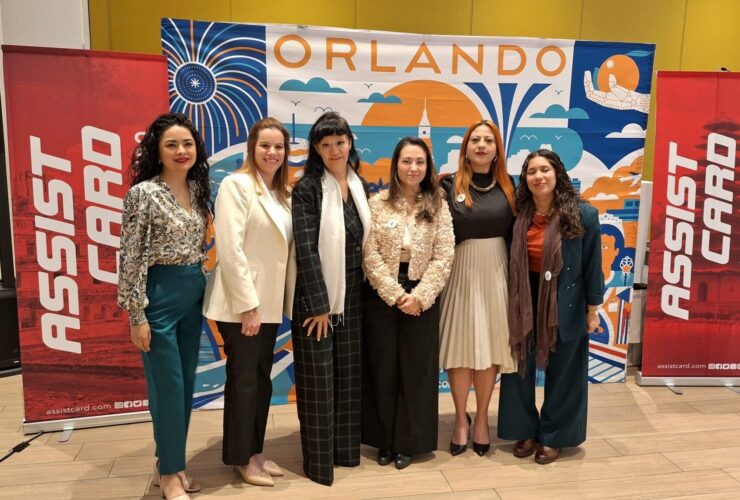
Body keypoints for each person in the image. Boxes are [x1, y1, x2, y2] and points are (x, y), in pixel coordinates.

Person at [117, 112, 210, 500]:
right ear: (157, 150)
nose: (181, 150)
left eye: (187, 143)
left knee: (185, 385)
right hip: (159, 297)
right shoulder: (143, 194)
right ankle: (171, 474)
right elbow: (131, 256)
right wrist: (136, 314)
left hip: (193, 293)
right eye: (171, 144)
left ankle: (168, 463)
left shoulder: (199, 189)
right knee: (168, 388)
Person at [202, 118, 296, 487]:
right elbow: (230, 249)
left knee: (260, 381)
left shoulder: (281, 193)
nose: (272, 153)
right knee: (244, 381)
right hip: (241, 304)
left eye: (279, 147)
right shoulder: (236, 185)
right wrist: (248, 306)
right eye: (265, 146)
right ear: (252, 148)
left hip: (269, 304)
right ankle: (240, 458)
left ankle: (255, 451)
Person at [497, 149, 603, 465]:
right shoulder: (517, 214)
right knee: (519, 368)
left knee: (565, 371)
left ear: (557, 174)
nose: (538, 176)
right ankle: (524, 430)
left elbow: (592, 265)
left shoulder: (583, 214)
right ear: (525, 179)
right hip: (523, 299)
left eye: (545, 169)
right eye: (531, 171)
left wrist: (593, 309)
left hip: (565, 301)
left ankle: (554, 435)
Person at [362, 137, 454, 469]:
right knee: (383, 367)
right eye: (406, 161)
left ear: (428, 167)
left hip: (421, 297)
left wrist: (420, 296)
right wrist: (394, 293)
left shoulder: (438, 204)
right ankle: (385, 441)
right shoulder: (377, 203)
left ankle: (409, 443)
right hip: (382, 294)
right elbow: (369, 253)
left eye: (419, 162)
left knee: (417, 370)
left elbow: (444, 255)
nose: (413, 168)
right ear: (395, 165)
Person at [291, 111, 371, 485]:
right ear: (316, 149)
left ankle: (345, 452)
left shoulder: (358, 184)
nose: (335, 150)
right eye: (326, 144)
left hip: (353, 294)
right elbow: (306, 250)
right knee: (318, 383)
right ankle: (319, 464)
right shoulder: (307, 188)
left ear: (350, 142)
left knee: (349, 378)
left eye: (340, 142)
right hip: (316, 300)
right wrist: (320, 306)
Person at [439, 120, 518, 456]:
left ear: (497, 149)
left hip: (497, 271)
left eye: (488, 140)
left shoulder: (511, 186)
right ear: (466, 148)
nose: (482, 145)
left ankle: (483, 419)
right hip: (459, 270)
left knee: (489, 348)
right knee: (459, 347)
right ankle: (461, 419)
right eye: (475, 140)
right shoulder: (446, 184)